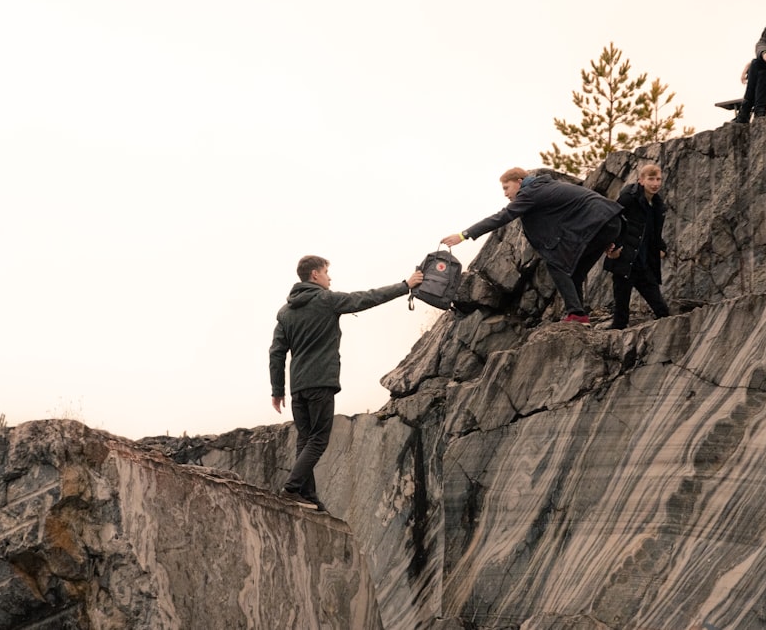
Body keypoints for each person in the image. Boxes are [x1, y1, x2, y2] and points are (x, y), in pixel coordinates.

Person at [269, 255, 424, 512]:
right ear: (315, 275)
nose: (330, 277)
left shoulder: (285, 313)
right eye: (327, 272)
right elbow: (367, 298)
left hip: (298, 386)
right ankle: (291, 489)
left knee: (305, 440)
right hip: (321, 382)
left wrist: (277, 390)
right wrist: (405, 285)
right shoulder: (326, 301)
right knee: (318, 440)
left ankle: (308, 497)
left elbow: (276, 353)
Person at [441, 167, 623, 324]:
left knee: (556, 263)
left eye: (506, 187)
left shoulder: (530, 193)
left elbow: (501, 217)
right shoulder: (545, 188)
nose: (505, 193)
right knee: (573, 270)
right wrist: (607, 238)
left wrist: (463, 235)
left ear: (519, 182)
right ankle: (578, 315)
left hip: (599, 223)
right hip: (610, 221)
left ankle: (576, 314)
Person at [602, 164, 670, 330]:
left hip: (644, 262)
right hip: (625, 260)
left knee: (662, 310)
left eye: (658, 179)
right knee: (621, 313)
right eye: (651, 179)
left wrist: (661, 246)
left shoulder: (657, 205)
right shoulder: (629, 198)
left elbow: (653, 231)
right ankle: (614, 341)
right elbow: (611, 220)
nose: (655, 183)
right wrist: (612, 246)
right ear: (641, 180)